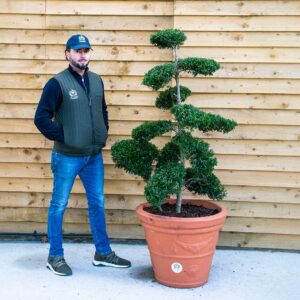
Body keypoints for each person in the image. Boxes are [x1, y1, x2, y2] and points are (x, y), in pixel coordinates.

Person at [34, 34, 131, 276]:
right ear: (67, 53)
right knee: (58, 205)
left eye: (86, 50)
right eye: (77, 50)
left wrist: (103, 131)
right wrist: (65, 137)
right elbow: (41, 117)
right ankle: (55, 256)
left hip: (93, 156)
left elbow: (102, 111)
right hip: (67, 156)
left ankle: (103, 253)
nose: (82, 54)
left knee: (97, 203)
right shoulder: (56, 83)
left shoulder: (97, 81)